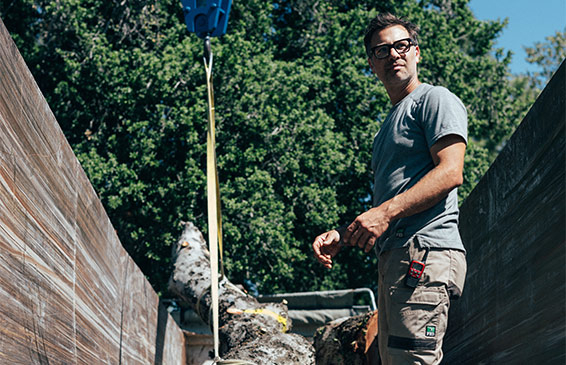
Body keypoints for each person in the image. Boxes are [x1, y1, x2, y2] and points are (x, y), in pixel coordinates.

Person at [312, 13, 467, 365]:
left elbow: (450, 173)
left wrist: (383, 213)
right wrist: (346, 235)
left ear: (416, 53)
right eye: (381, 51)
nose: (393, 54)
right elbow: (389, 204)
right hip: (398, 261)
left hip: (423, 254)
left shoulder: (435, 100)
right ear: (371, 63)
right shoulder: (388, 126)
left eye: (401, 46)